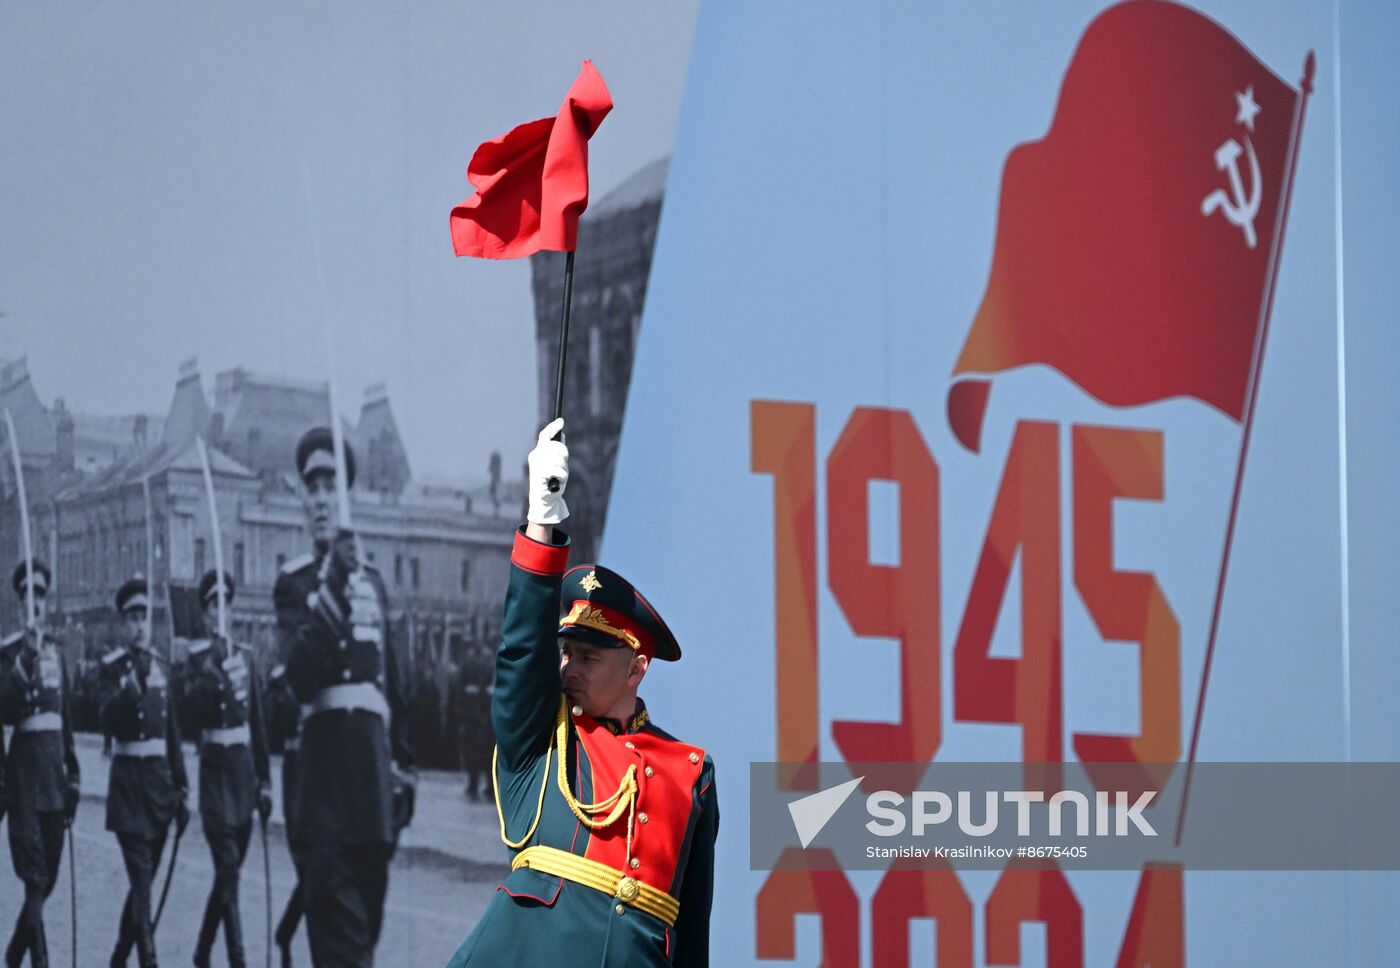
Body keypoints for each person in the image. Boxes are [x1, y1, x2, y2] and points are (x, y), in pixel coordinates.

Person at [446, 419, 718, 967]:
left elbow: (690, 935)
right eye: (566, 653)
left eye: (589, 657)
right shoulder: (542, 742)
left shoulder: (691, 774)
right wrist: (542, 522)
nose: (568, 667)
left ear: (637, 668)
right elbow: (521, 651)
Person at [275, 427, 414, 967]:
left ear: (348, 500)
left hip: (374, 799)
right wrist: (331, 584)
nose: (318, 499)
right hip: (324, 798)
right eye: (310, 488)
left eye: (330, 487)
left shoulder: (375, 583)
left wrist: (405, 769)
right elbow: (299, 677)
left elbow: (397, 690)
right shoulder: (295, 584)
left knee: (362, 947)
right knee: (343, 956)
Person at [182, 570, 273, 968]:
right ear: (204, 615)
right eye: (212, 606)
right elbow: (190, 714)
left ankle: (202, 952)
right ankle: (238, 960)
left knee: (228, 876)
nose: (220, 613)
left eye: (225, 605)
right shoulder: (196, 661)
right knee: (229, 872)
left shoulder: (248, 657)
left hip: (244, 779)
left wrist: (265, 782)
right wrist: (211, 670)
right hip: (215, 781)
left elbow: (258, 725)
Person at [101, 576, 189, 968]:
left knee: (143, 886)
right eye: (132, 618)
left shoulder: (162, 668)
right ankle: (147, 961)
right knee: (141, 880)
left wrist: (182, 788)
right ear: (122, 624)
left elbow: (172, 734)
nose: (139, 625)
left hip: (158, 792)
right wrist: (130, 687)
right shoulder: (112, 669)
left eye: (144, 617)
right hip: (126, 792)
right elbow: (105, 718)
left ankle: (119, 955)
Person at [0, 561, 80, 968]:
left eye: (41, 595)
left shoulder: (57, 653)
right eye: (28, 596)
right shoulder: (9, 652)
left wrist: (75, 777)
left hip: (53, 780)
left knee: (45, 883)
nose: (35, 603)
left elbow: (64, 723)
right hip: (23, 781)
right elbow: (5, 709)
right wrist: (24, 659)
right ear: (19, 605)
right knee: (34, 880)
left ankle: (13, 954)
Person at [263, 659, 304, 968]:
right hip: (297, 767)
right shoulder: (285, 678)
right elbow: (275, 717)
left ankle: (286, 933)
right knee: (307, 863)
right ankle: (285, 933)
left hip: (320, 768)